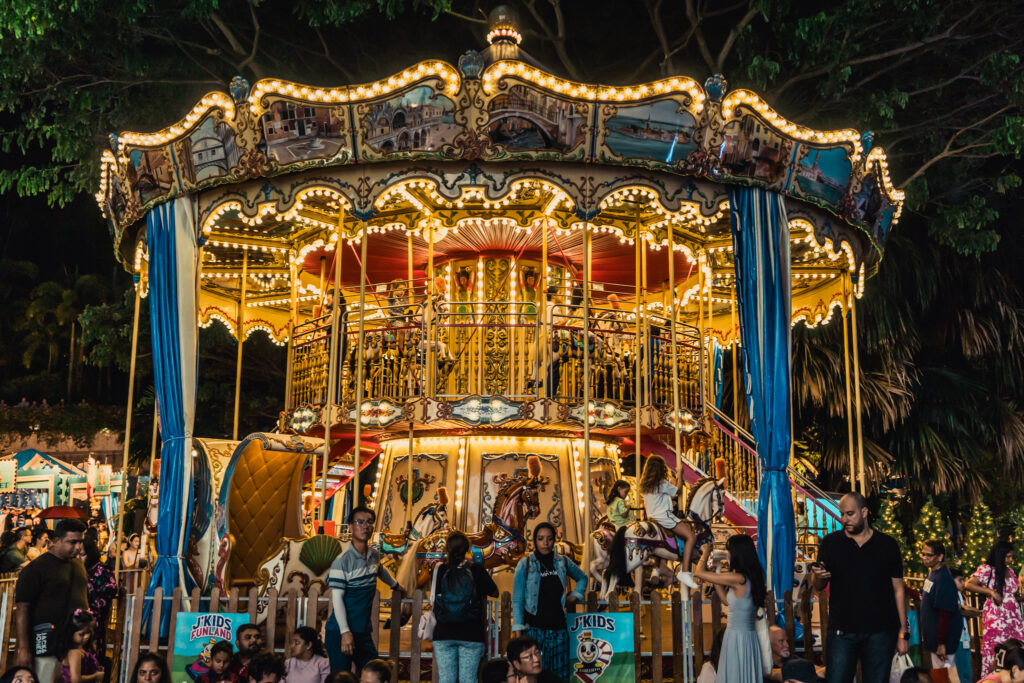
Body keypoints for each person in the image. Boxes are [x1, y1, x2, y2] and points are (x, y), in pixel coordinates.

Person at [811, 492, 908, 683]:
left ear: (864, 512)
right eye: (842, 514)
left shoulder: (887, 545)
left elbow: (898, 590)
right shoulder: (831, 543)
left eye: (850, 514)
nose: (844, 519)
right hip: (842, 632)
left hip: (881, 632)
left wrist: (903, 633)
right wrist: (818, 577)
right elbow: (818, 587)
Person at [326, 506, 400, 673]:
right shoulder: (342, 561)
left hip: (362, 631)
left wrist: (396, 586)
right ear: (351, 527)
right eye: (360, 522)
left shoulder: (373, 555)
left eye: (369, 522)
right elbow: (336, 599)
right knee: (341, 678)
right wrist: (345, 632)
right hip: (340, 631)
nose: (365, 526)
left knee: (375, 673)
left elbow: (380, 570)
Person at [511, 522, 587, 681]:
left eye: (549, 539)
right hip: (535, 632)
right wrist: (518, 635)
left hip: (559, 631)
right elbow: (517, 601)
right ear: (534, 541)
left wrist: (576, 595)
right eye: (540, 539)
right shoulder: (525, 564)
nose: (545, 543)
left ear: (554, 541)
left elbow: (582, 577)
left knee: (560, 677)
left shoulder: (562, 562)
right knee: (537, 677)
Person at [15, 518, 89, 683]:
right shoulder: (35, 569)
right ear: (55, 540)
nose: (78, 547)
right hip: (45, 644)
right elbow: (22, 609)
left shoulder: (78, 565)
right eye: (72, 542)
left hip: (75, 646)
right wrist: (24, 649)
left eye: (80, 542)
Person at [693, 534, 765, 683]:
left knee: (734, 675)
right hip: (747, 637)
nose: (728, 554)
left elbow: (699, 573)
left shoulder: (738, 578)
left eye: (729, 551)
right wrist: (717, 572)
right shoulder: (749, 577)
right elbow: (726, 601)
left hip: (736, 637)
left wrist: (706, 552)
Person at [432, 531, 499, 683]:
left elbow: (436, 598)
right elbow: (495, 592)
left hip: (444, 633)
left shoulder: (441, 570)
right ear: (468, 549)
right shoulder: (476, 569)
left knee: (446, 680)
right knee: (468, 680)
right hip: (471, 634)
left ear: (447, 549)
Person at [638, 455, 698, 589]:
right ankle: (686, 572)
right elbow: (678, 490)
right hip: (664, 517)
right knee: (691, 536)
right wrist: (679, 474)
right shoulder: (660, 482)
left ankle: (657, 568)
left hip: (651, 519)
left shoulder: (646, 484)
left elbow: (668, 496)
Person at [969, 541, 1024, 674]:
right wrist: (991, 592)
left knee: (1017, 647)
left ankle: (1014, 676)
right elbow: (969, 584)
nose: (1010, 560)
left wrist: (1019, 596)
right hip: (996, 617)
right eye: (1008, 556)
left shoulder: (1010, 571)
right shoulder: (987, 569)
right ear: (1000, 555)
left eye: (1012, 557)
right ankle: (994, 677)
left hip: (1013, 618)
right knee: (998, 649)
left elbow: (1011, 593)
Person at [917, 539, 962, 677]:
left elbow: (945, 613)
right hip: (934, 638)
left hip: (942, 641)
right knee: (939, 675)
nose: (924, 558)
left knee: (945, 676)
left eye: (928, 555)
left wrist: (941, 643)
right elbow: (923, 596)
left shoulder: (943, 578)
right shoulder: (933, 574)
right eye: (923, 554)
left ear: (940, 557)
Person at [82, 539, 116, 656]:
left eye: (82, 555)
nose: (78, 557)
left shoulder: (104, 571)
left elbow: (108, 593)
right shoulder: (80, 570)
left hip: (94, 622)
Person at [56, 609, 103, 683]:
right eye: (82, 634)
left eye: (88, 632)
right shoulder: (75, 653)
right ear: (71, 634)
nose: (87, 636)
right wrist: (96, 676)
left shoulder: (81, 650)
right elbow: (76, 680)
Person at [949, 568, 975, 683]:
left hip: (964, 638)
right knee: (957, 672)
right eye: (960, 580)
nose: (963, 583)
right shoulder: (948, 596)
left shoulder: (960, 595)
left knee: (966, 670)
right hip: (954, 639)